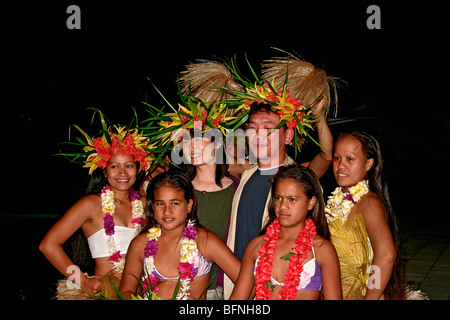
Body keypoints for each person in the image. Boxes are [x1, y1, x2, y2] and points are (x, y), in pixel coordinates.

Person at [223, 54, 337, 298]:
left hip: (274, 277)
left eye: (268, 128)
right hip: (239, 278)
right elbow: (211, 154)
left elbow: (327, 155)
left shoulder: (296, 176)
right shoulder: (245, 171)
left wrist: (318, 115)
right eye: (252, 129)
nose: (258, 135)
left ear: (287, 136)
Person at [39, 115, 153, 300]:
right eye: (114, 166)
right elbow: (48, 245)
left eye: (129, 166)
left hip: (145, 292)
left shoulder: (147, 203)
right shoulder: (90, 204)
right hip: (105, 292)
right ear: (104, 171)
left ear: (138, 169)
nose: (122, 173)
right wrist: (81, 281)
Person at [119, 171, 241, 300]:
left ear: (189, 205)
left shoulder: (205, 241)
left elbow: (246, 279)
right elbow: (126, 290)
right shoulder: (140, 243)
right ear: (152, 207)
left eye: (175, 203)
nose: (167, 211)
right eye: (160, 204)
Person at [230, 165, 342, 300]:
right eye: (278, 198)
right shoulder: (256, 246)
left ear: (311, 202)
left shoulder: (321, 249)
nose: (283, 206)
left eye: (292, 199)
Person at [325, 131, 404, 299]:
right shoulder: (337, 199)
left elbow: (386, 254)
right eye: (337, 158)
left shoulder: (369, 203)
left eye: (350, 159)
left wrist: (371, 296)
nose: (341, 166)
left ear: (368, 164)